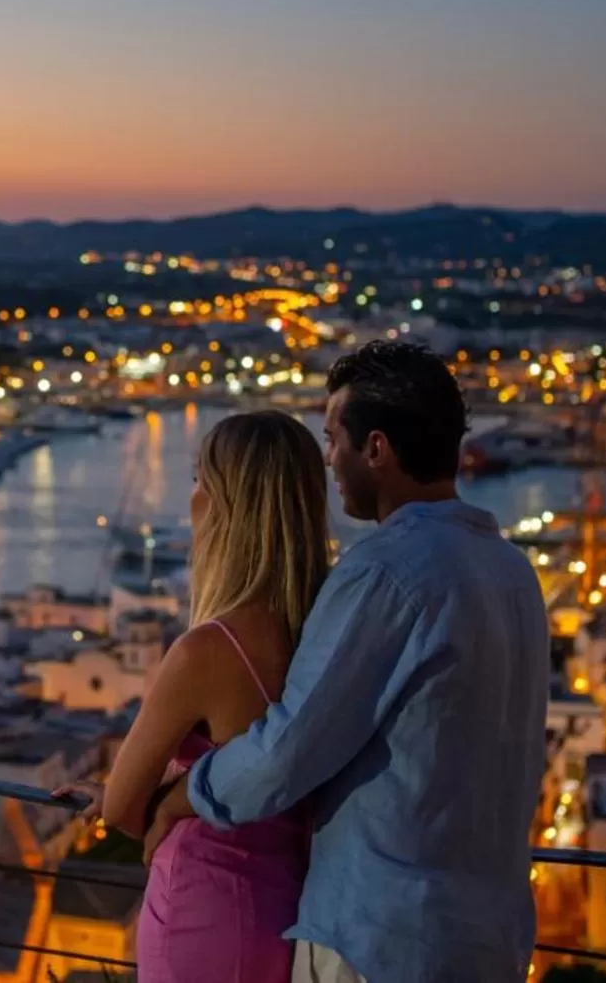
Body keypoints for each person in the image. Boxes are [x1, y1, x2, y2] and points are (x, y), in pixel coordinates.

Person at [145, 340, 549, 983]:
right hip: (489, 934)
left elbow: (288, 749)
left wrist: (183, 796)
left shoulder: (385, 573)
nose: (328, 459)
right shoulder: (512, 572)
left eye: (334, 438)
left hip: (380, 934)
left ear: (377, 449)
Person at [72, 409, 334, 983]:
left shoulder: (207, 650)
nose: (191, 499)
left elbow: (121, 809)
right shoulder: (327, 631)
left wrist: (143, 794)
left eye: (199, 480)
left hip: (201, 907)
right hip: (285, 911)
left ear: (226, 505)